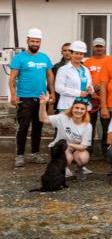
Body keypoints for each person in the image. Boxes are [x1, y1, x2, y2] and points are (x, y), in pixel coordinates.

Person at [9, 28, 54, 168]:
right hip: (24, 98)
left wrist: (52, 92)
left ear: (40, 42)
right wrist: (13, 95)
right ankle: (20, 155)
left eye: (37, 41)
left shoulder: (45, 58)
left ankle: (35, 154)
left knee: (38, 127)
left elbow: (50, 75)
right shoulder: (19, 58)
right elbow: (12, 78)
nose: (35, 43)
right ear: (28, 41)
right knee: (23, 127)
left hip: (41, 99)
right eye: (33, 41)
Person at [38, 94, 92, 181]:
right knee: (67, 157)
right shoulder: (62, 117)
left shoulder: (87, 125)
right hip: (61, 148)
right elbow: (43, 119)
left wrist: (69, 144)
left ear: (85, 111)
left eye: (82, 109)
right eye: (76, 108)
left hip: (76, 148)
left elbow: (84, 146)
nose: (79, 111)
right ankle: (63, 168)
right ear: (72, 109)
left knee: (83, 157)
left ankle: (79, 169)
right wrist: (43, 104)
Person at [85, 37, 111, 151]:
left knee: (107, 125)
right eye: (97, 46)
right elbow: (84, 80)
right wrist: (92, 91)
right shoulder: (87, 62)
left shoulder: (111, 60)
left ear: (105, 47)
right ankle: (88, 149)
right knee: (89, 124)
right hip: (91, 98)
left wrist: (101, 88)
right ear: (93, 47)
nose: (99, 48)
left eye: (101, 46)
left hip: (107, 98)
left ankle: (106, 150)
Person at [54, 40, 94, 113]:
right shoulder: (63, 69)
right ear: (71, 53)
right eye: (76, 53)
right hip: (67, 106)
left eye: (81, 54)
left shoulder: (86, 69)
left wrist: (91, 89)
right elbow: (59, 88)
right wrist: (79, 93)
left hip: (83, 106)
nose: (79, 56)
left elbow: (90, 85)